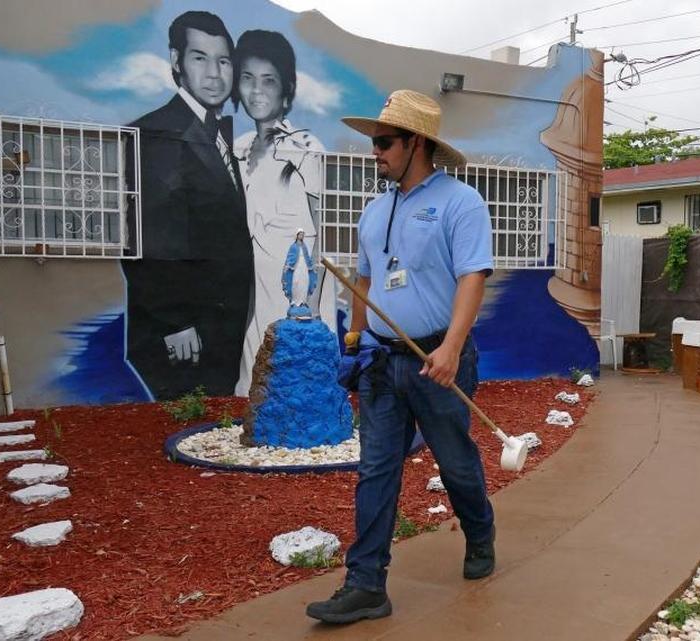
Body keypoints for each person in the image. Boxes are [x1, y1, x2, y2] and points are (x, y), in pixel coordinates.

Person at [305, 90, 496, 624]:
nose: (375, 151)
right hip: (381, 364)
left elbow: (472, 278)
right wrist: (355, 343)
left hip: (439, 358)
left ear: (417, 143)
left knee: (454, 462)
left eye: (385, 142)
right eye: (375, 141)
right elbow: (364, 282)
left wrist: (451, 348)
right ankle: (366, 585)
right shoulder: (374, 210)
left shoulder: (461, 202)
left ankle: (480, 531)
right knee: (375, 470)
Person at [122, 10, 253, 399]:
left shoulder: (215, 132)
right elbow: (150, 235)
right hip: (183, 337)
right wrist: (174, 321)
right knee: (184, 425)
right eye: (200, 58)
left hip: (218, 329)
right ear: (176, 61)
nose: (214, 73)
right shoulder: (159, 132)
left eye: (223, 61)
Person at [228, 29, 334, 396]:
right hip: (254, 293)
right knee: (252, 386)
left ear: (286, 87)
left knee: (297, 384)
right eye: (248, 78)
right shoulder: (238, 149)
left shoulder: (305, 149)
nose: (257, 90)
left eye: (268, 80)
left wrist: (311, 308)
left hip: (295, 294)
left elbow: (321, 234)